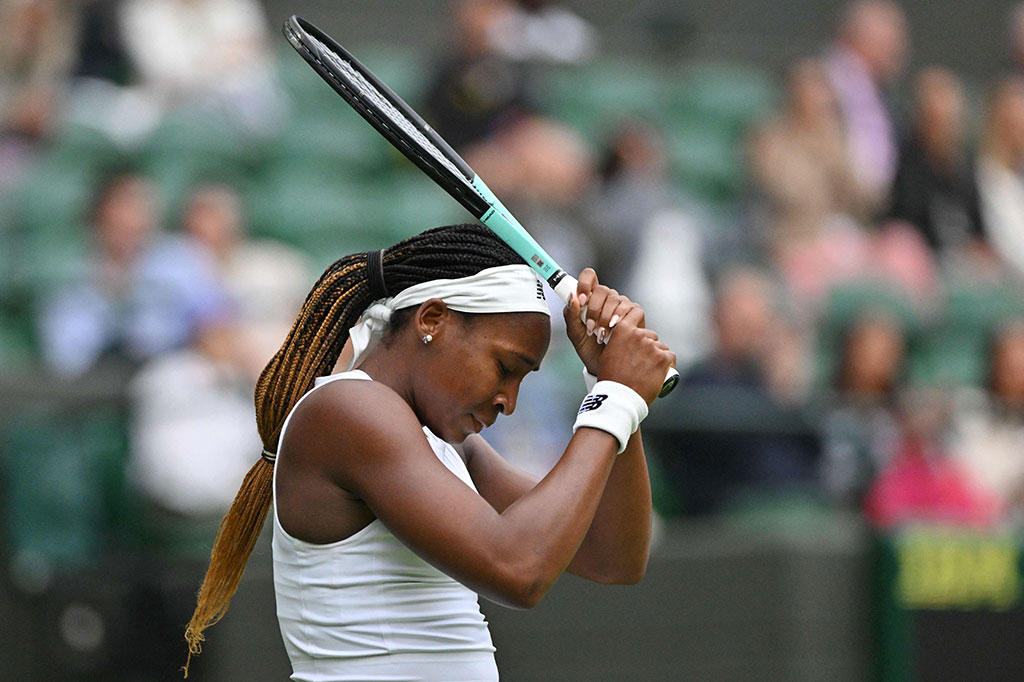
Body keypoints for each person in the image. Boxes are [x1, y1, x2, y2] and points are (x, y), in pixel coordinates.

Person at [182, 223, 674, 680]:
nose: (509, 401)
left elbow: (613, 558)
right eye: (505, 367)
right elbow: (520, 570)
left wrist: (607, 383)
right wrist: (614, 401)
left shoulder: (450, 447)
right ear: (432, 319)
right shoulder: (350, 409)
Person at [887, 67, 987, 262]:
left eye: (949, 118)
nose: (943, 124)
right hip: (923, 261)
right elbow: (906, 224)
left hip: (966, 265)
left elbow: (979, 229)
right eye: (935, 117)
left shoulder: (967, 165)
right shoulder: (906, 163)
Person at [823, 0, 909, 216]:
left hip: (874, 215)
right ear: (859, 38)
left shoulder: (881, 94)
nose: (900, 51)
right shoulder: (825, 84)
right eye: (890, 41)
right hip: (831, 216)